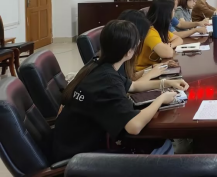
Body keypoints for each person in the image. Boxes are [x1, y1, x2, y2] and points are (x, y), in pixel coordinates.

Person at [52, 20, 188, 161]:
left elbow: (132, 86)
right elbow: (134, 126)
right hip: (82, 157)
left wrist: (166, 83)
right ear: (129, 52)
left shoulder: (97, 65)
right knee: (163, 145)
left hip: (70, 145)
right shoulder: (107, 81)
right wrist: (161, 99)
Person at [117, 10, 175, 81]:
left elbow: (131, 77)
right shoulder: (116, 60)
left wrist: (153, 68)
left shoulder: (125, 55)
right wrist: (151, 74)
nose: (139, 42)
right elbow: (132, 85)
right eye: (140, 37)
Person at [136, 0, 184, 71]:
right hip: (142, 71)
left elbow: (179, 39)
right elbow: (168, 53)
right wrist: (168, 48)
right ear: (166, 13)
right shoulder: (150, 31)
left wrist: (170, 45)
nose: (174, 13)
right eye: (173, 10)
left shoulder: (158, 28)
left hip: (155, 67)